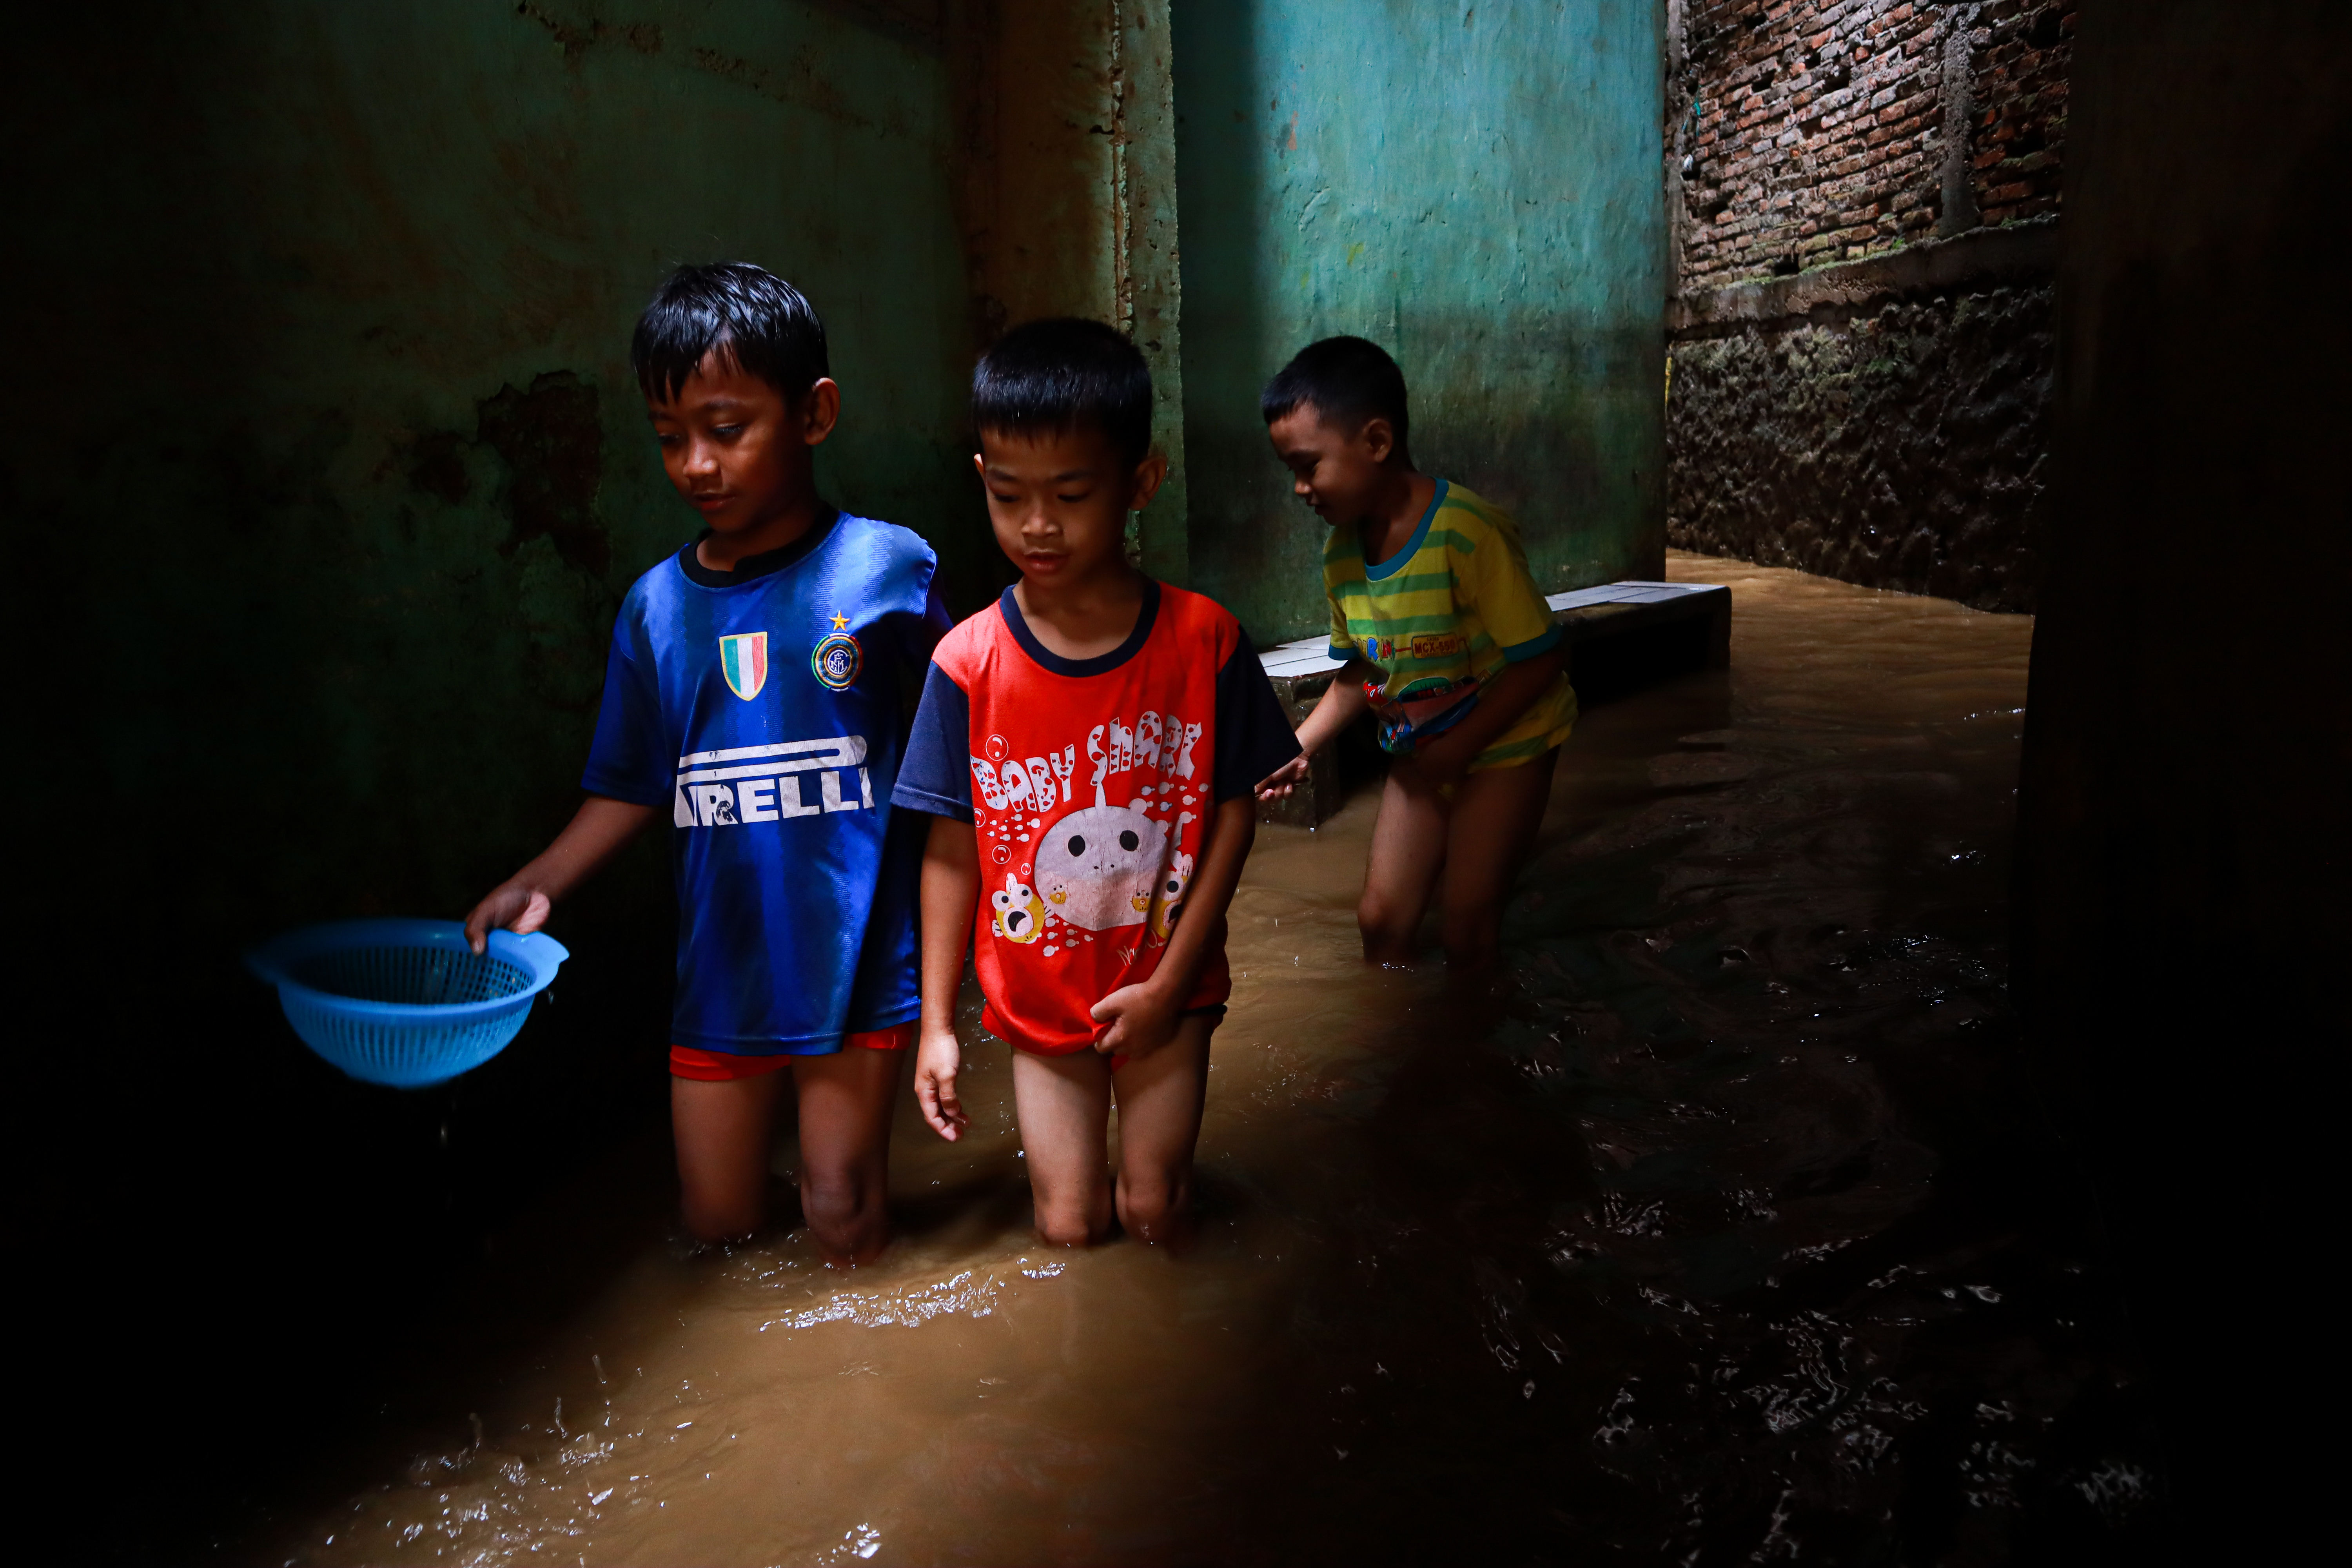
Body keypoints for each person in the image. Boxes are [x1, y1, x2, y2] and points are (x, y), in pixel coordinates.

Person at [463, 263, 947, 1263]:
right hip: (722, 965)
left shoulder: (890, 567)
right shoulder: (654, 607)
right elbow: (634, 780)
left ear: (815, 414)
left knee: (841, 1213)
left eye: (727, 429)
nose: (696, 463)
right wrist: (538, 880)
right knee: (720, 1223)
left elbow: (960, 758)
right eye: (669, 436)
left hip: (855, 958)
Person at [893, 319, 1299, 1247]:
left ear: (1140, 482)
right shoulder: (966, 663)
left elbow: (1233, 817)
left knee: (1155, 1208)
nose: (1038, 525)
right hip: (1035, 1002)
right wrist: (937, 1027)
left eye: (1072, 495)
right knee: (1069, 1226)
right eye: (1009, 494)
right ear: (982, 477)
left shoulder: (1205, 641)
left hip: (1172, 988)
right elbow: (950, 852)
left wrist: (1174, 979)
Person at [1253, 336, 1574, 970]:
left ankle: (1470, 1051)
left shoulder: (1466, 533)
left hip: (1509, 743)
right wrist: (1300, 745)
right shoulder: (1340, 553)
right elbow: (1362, 671)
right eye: (1290, 470)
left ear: (1376, 443)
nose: (1299, 489)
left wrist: (1460, 747)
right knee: (1382, 924)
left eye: (1309, 465)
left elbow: (1542, 659)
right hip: (1425, 750)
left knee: (1467, 929)